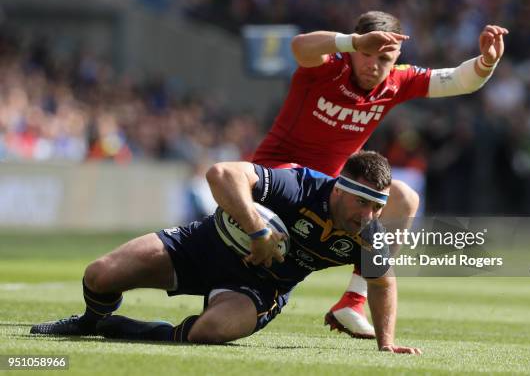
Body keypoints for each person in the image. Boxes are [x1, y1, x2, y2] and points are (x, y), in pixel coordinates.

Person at [252, 11, 509, 338]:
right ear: (354, 46)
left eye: (384, 57)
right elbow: (300, 46)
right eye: (366, 53)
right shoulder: (330, 66)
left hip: (328, 195)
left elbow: (459, 80)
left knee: (404, 198)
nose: (373, 64)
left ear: (397, 56)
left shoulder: (397, 81)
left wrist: (486, 62)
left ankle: (353, 301)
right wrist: (352, 42)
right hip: (278, 180)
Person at [30, 151, 422, 354]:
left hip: (257, 287)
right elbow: (221, 173)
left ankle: (119, 328)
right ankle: (88, 321)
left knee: (211, 332)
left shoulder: (370, 232)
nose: (369, 216)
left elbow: (382, 282)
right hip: (202, 245)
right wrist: (257, 230)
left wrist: (385, 342)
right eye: (362, 204)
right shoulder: (301, 185)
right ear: (338, 190)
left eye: (377, 208)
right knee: (100, 274)